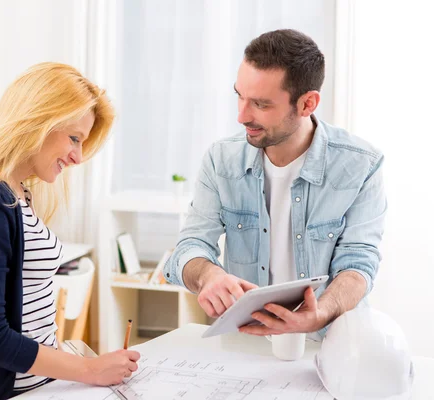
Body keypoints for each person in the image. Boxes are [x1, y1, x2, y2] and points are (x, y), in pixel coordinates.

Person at [0, 63, 140, 400]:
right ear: (39, 120)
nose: (78, 156)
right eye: (74, 138)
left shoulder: (17, 192)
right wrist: (90, 370)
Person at [163, 29, 387, 339]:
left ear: (307, 104)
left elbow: (358, 263)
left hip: (330, 348)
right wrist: (209, 275)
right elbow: (190, 246)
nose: (242, 116)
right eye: (239, 96)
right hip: (245, 345)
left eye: (261, 104)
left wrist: (320, 313)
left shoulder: (361, 165)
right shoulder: (221, 159)